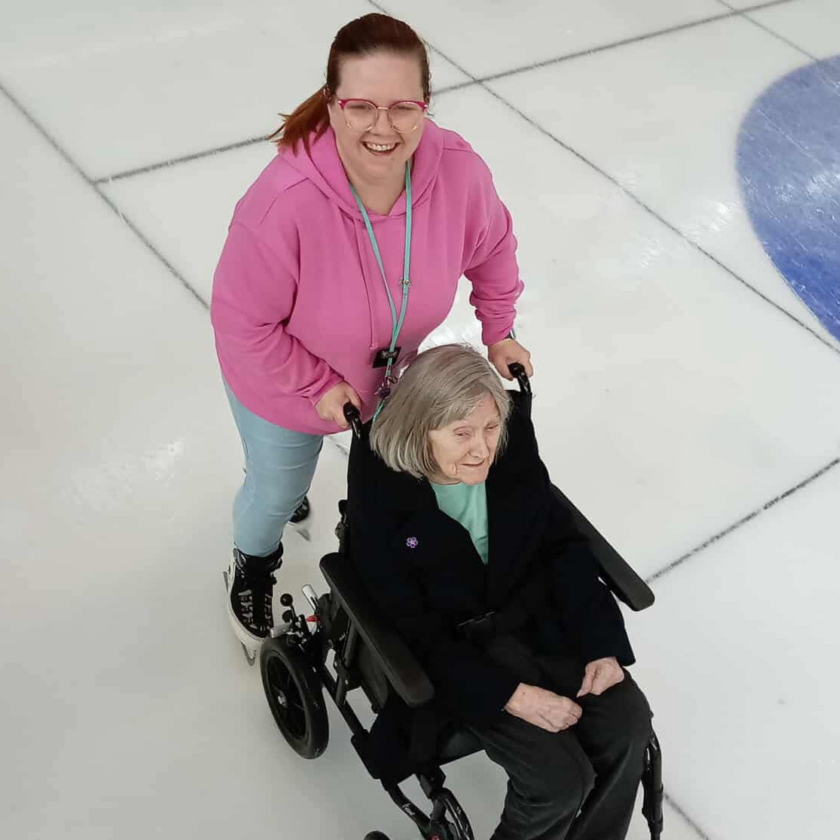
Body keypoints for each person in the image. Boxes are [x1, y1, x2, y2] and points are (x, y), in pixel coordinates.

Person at [210, 12, 533, 654]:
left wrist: (499, 331)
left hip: (390, 380)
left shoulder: (460, 172)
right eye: (361, 106)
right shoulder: (283, 202)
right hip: (281, 384)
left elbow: (493, 248)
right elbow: (241, 323)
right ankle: (251, 560)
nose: (382, 128)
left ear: (425, 105)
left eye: (402, 107)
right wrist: (316, 386)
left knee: (391, 480)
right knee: (277, 489)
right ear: (332, 105)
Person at [347, 345, 652, 840]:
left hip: (536, 621)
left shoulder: (509, 442)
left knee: (628, 724)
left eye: (490, 429)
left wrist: (601, 645)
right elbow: (410, 627)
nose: (482, 449)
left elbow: (561, 545)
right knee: (557, 783)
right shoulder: (382, 488)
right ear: (417, 431)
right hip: (458, 654)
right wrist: (509, 695)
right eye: (461, 433)